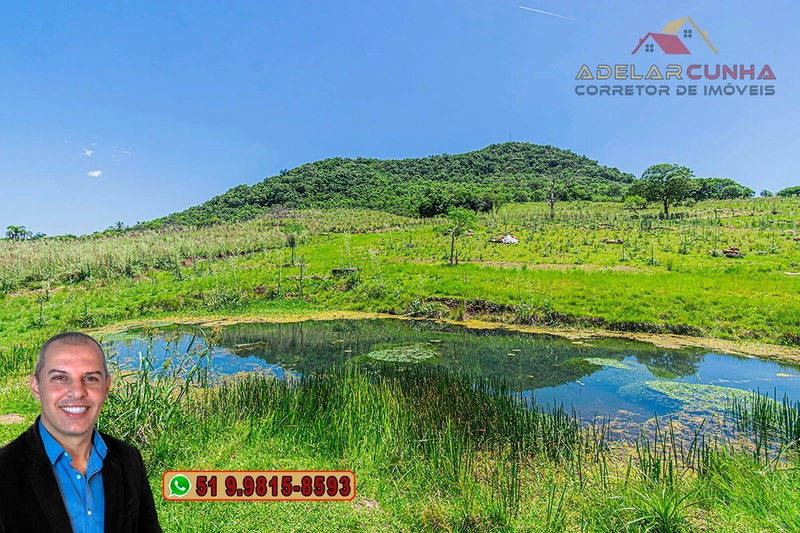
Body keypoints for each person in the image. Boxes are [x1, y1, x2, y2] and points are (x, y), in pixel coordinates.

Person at [0, 332, 162, 533]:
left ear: (106, 387)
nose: (77, 392)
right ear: (36, 387)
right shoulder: (4, 470)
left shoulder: (128, 459)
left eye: (90, 378)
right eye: (60, 378)